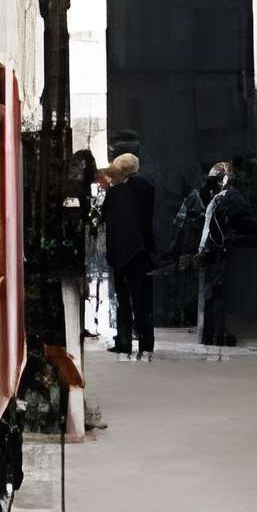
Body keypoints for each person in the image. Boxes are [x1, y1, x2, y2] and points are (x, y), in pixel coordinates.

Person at [195, 160, 257, 350]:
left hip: (214, 253)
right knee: (219, 295)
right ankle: (219, 335)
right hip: (222, 253)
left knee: (213, 295)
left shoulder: (217, 200)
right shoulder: (230, 198)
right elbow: (251, 224)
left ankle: (212, 336)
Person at [100, 153, 160, 358]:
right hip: (140, 253)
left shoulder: (114, 193)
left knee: (123, 300)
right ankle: (146, 342)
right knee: (142, 299)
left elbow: (104, 220)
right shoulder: (146, 189)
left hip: (119, 254)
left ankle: (124, 341)